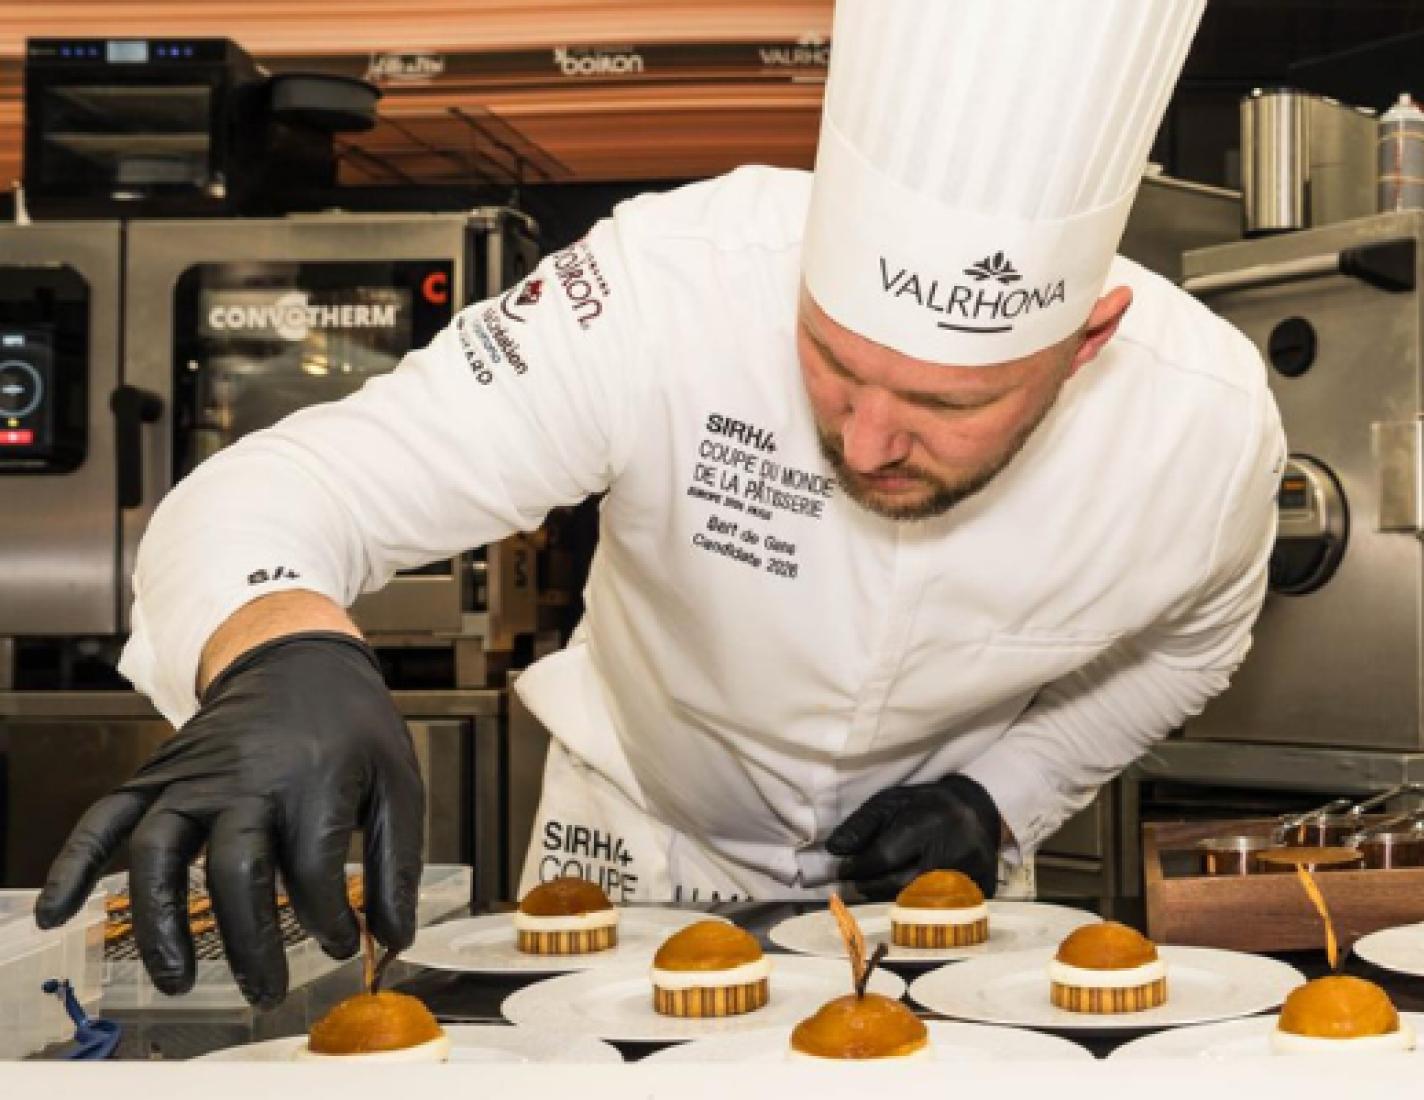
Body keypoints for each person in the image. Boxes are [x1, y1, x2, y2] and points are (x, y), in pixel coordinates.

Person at [33, 0, 1279, 1008]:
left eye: (954, 405)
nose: (870, 437)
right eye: (833, 364)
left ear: (1088, 341)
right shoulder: (665, 285)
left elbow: (1195, 645)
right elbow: (301, 479)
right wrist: (278, 645)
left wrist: (1006, 789)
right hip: (633, 835)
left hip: (924, 881)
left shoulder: (1205, 433)